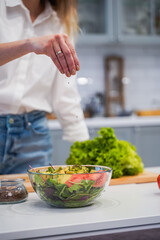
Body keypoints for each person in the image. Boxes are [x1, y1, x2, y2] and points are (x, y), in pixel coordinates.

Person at [0, 0, 89, 174]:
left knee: (34, 201)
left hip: (33, 136)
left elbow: (65, 92)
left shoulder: (60, 22)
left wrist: (84, 146)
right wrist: (29, 44)